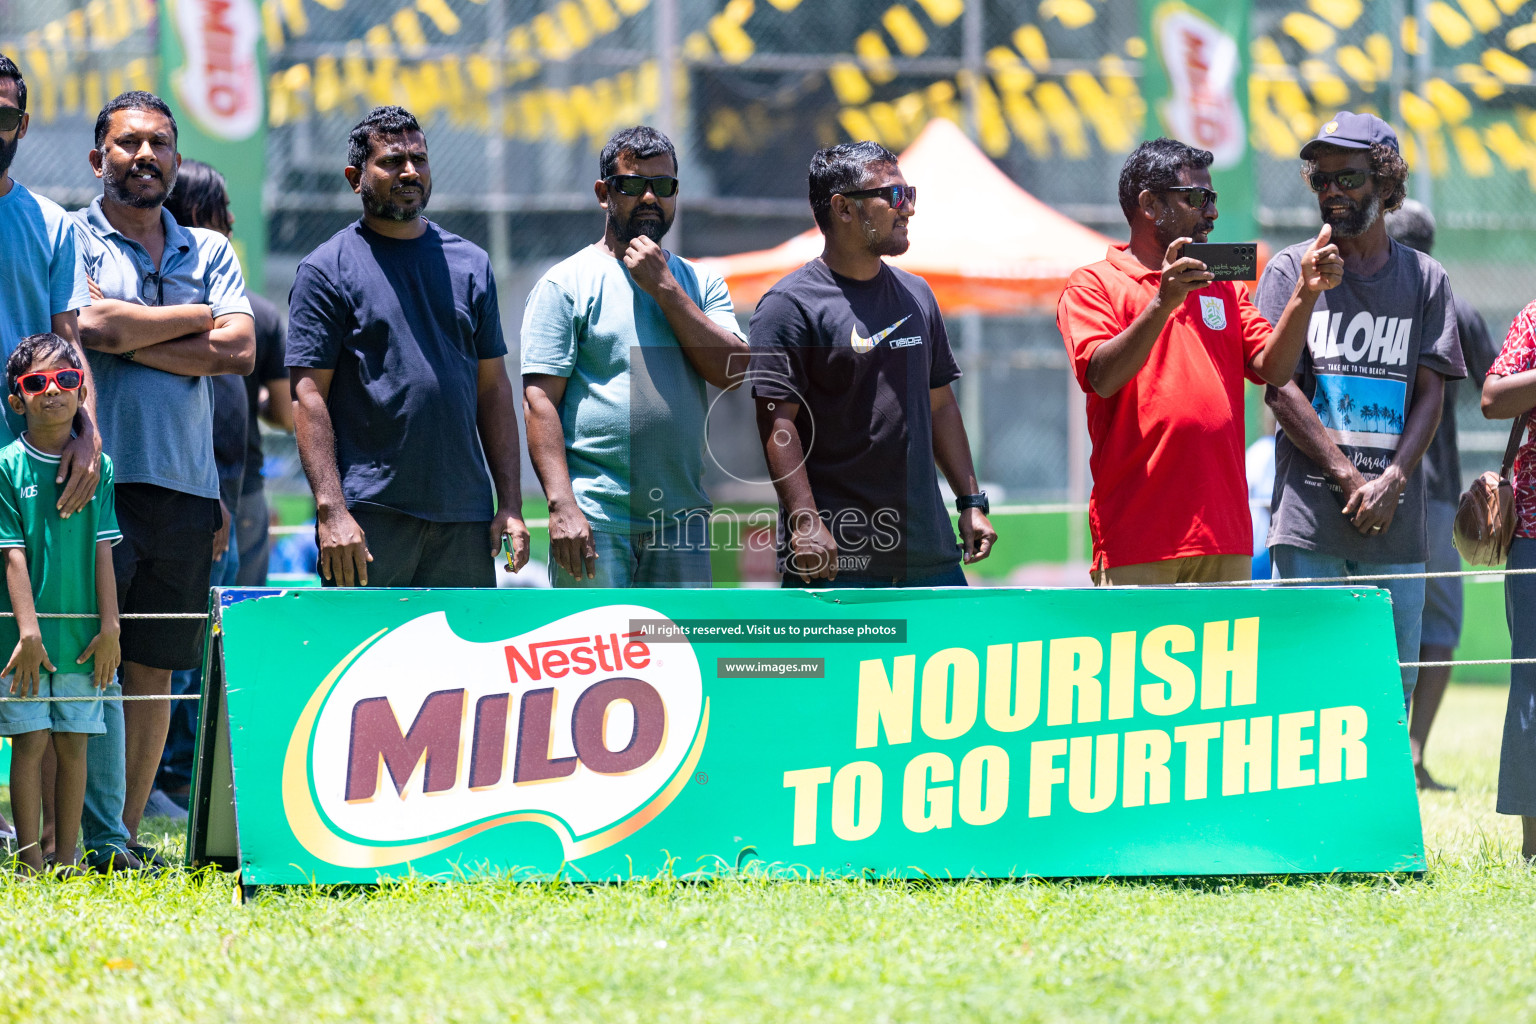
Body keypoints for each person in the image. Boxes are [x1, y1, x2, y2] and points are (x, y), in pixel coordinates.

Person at [73, 90, 256, 868]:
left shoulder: (208, 250)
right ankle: (80, 832)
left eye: (160, 144)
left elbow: (240, 349)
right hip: (94, 481)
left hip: (185, 486)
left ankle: (122, 839)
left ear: (175, 160)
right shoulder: (69, 236)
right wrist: (194, 319)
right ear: (99, 158)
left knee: (154, 665)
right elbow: (90, 327)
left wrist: (129, 333)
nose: (145, 156)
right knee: (88, 658)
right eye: (129, 143)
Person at [1057, 137, 1339, 585]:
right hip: (1138, 537)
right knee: (1135, 659)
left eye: (1213, 199)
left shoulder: (1223, 285)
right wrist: (1162, 302)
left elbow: (1275, 369)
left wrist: (1307, 291)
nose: (1212, 212)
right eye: (1197, 198)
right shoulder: (1093, 284)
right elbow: (1102, 377)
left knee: (1229, 660)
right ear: (1149, 204)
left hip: (1225, 536)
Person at [1257, 112, 1465, 711]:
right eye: (1320, 180)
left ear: (1385, 182)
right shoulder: (1289, 270)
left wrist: (1394, 477)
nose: (1331, 192)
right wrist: (1348, 476)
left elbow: (1431, 391)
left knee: (1389, 689)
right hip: (1312, 518)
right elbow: (1278, 386)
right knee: (1306, 687)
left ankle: (1379, 808)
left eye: (1346, 178)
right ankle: (1311, 808)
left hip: (1396, 518)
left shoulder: (1425, 279)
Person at [288, 106, 530, 588]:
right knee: (363, 663)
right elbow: (307, 396)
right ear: (355, 178)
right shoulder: (325, 270)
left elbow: (493, 390)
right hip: (369, 517)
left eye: (418, 159)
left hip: (464, 515)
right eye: (392, 161)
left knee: (462, 664)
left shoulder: (471, 263)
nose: (410, 172)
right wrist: (332, 511)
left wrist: (511, 505)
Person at [748, 141, 994, 587]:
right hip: (838, 558)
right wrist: (805, 522)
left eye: (910, 195)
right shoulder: (788, 306)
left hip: (930, 554)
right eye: (895, 196)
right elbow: (775, 425)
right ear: (843, 208)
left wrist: (970, 501)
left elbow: (940, 406)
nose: (909, 210)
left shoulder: (917, 294)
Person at [521, 125, 747, 587]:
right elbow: (538, 402)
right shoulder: (565, 284)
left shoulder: (699, 284)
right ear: (605, 193)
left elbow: (736, 370)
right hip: (594, 522)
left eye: (662, 186)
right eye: (632, 185)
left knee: (679, 657)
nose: (649, 197)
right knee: (598, 657)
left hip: (681, 522)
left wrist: (666, 290)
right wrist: (562, 506)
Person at [0, 52, 99, 846]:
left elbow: (69, 341)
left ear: (22, 126)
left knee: (34, 659)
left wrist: (88, 434)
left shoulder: (53, 224)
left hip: (29, 479)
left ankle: (57, 842)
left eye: (4, 114)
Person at [149, 159, 253, 819]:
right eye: (220, 211)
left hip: (226, 501)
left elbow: (237, 349)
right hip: (196, 497)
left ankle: (194, 778)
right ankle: (167, 781)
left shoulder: (225, 296)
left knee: (211, 647)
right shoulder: (177, 296)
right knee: (175, 651)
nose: (232, 225)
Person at [1385, 199, 1497, 790]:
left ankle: (1381, 756)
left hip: (1355, 488)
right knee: (1438, 624)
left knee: (1375, 618)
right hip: (1429, 491)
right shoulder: (1456, 305)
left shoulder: (1357, 294)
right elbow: (1498, 389)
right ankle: (1411, 753)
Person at [0, 333, 122, 873]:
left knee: (74, 746)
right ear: (16, 399)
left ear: (81, 390)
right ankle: (30, 864)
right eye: (36, 383)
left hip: (82, 641)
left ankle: (67, 863)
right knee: (29, 746)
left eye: (66, 379)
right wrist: (28, 634)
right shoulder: (6, 466)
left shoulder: (102, 470)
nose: (53, 391)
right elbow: (13, 556)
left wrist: (112, 628)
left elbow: (103, 553)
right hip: (22, 646)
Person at [1482, 301, 1536, 863]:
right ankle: (1533, 850)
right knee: (1533, 691)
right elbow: (1494, 399)